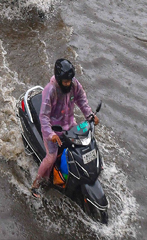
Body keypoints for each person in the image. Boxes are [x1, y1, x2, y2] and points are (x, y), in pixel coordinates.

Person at [31, 59, 100, 198]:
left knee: (86, 142)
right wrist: (51, 134)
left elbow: (82, 100)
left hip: (69, 125)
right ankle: (36, 184)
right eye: (65, 81)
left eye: (69, 80)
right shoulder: (50, 90)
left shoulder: (74, 84)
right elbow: (44, 116)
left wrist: (90, 115)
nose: (68, 84)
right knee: (51, 157)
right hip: (53, 131)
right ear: (58, 78)